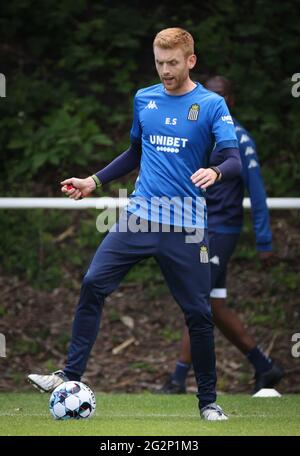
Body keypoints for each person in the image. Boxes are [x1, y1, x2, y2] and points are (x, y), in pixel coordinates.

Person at [28, 29, 242, 421]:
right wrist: (93, 181)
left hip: (187, 227)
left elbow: (234, 159)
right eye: (159, 62)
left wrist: (216, 171)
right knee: (93, 282)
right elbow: (134, 153)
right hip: (139, 217)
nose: (165, 70)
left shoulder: (211, 105)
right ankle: (69, 376)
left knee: (198, 313)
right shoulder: (145, 99)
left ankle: (209, 402)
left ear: (190, 61)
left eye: (173, 62)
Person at [160, 76, 284, 395]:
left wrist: (264, 240)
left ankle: (177, 378)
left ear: (230, 100)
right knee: (215, 306)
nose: (212, 101)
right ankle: (264, 367)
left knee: (196, 298)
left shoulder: (239, 140)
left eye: (219, 96)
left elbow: (257, 193)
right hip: (200, 227)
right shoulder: (201, 133)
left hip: (222, 231)